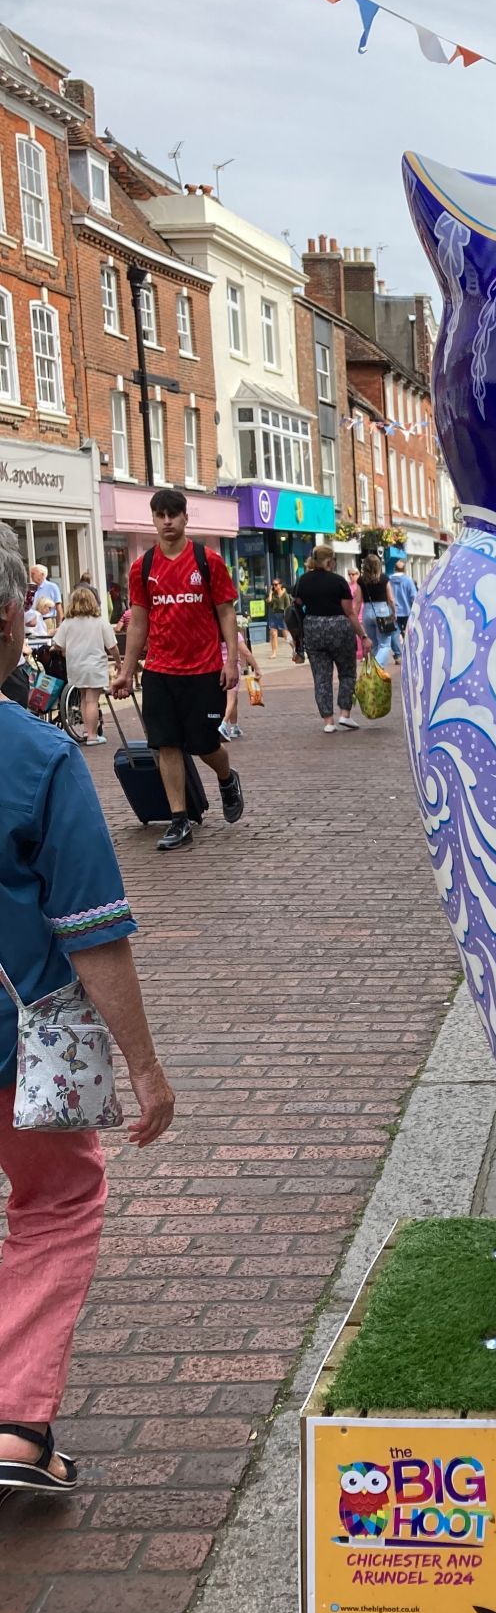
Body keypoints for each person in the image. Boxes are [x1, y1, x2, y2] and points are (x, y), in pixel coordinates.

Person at [0, 523, 176, 1495]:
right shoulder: (35, 755)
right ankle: (18, 1423)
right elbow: (92, 925)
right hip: (13, 1044)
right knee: (58, 1199)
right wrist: (143, 1067)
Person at [110, 488, 246, 854]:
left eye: (174, 514)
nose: (167, 521)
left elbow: (226, 613)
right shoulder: (144, 567)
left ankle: (226, 777)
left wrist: (231, 660)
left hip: (203, 670)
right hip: (160, 670)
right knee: (166, 744)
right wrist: (126, 670)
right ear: (153, 520)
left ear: (186, 518)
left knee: (204, 745)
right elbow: (138, 622)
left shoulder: (208, 561)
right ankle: (179, 820)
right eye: (160, 515)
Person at [294, 545, 362, 733]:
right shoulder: (339, 582)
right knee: (347, 673)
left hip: (313, 629)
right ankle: (345, 714)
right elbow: (350, 612)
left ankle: (328, 722)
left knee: (321, 677)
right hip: (339, 628)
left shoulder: (302, 581)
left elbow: (297, 604)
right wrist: (362, 636)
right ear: (330, 560)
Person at [52, 584, 119, 744]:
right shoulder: (99, 622)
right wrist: (118, 661)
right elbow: (112, 646)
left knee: (83, 698)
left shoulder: (67, 623)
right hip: (94, 665)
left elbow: (58, 645)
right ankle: (93, 736)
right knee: (92, 700)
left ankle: (88, 730)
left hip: (75, 665)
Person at [218, 619, 260, 741]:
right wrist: (256, 668)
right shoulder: (234, 634)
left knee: (233, 699)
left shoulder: (214, 634)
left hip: (218, 667)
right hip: (231, 667)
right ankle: (223, 725)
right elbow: (246, 652)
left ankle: (235, 727)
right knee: (230, 699)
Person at [357, 553, 400, 666]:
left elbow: (357, 600)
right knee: (385, 644)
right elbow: (390, 599)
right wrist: (394, 613)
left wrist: (355, 617)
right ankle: (377, 667)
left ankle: (374, 671)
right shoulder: (384, 578)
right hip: (382, 611)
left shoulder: (361, 581)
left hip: (367, 611)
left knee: (374, 644)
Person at [388, 558, 417, 642]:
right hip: (406, 611)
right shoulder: (408, 580)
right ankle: (408, 651)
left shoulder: (389, 580)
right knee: (409, 633)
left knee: (395, 633)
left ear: (394, 569)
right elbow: (414, 596)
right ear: (404, 569)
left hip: (393, 611)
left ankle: (398, 653)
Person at [266, 578, 291, 659]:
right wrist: (270, 593)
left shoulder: (285, 595)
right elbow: (269, 601)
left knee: (286, 636)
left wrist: (287, 617)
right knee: (273, 634)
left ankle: (295, 649)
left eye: (276, 584)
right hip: (274, 615)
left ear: (280, 585)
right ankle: (274, 653)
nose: (274, 586)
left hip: (282, 616)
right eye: (273, 584)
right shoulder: (273, 595)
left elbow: (288, 607)